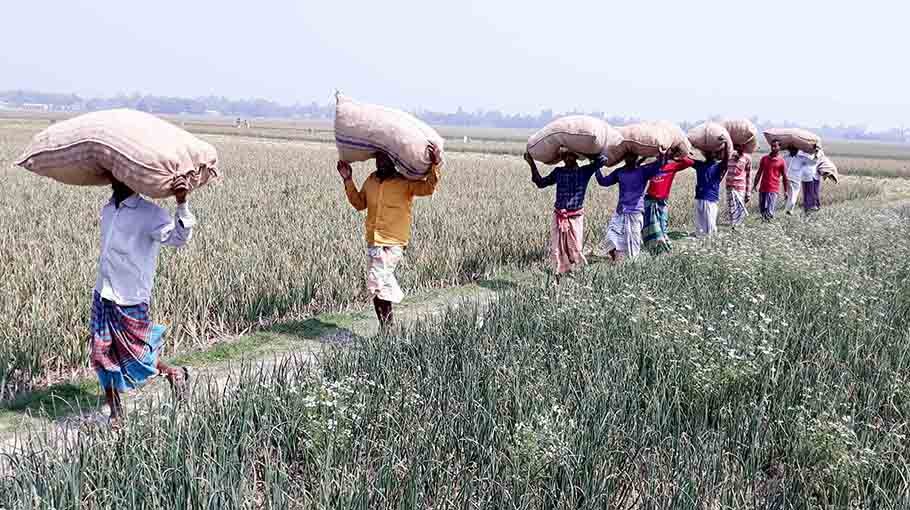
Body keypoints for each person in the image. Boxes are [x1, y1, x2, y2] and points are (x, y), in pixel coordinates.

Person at [91, 175, 194, 424]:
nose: (116, 180)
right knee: (102, 356)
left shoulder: (150, 214)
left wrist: (182, 204)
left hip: (131, 298)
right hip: (103, 294)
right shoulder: (108, 210)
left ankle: (175, 373)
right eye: (114, 174)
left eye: (122, 174)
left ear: (134, 179)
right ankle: (116, 416)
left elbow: (179, 238)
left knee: (140, 357)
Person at [338, 146, 442, 330]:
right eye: (378, 159)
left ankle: (388, 328)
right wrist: (348, 180)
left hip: (394, 242)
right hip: (373, 240)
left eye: (385, 159)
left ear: (394, 160)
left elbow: (428, 187)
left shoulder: (405, 182)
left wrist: (435, 164)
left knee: (376, 282)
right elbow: (359, 203)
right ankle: (388, 330)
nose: (381, 163)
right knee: (379, 288)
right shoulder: (371, 180)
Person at [524, 151, 607, 281]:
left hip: (575, 217)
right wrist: (531, 164)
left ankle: (576, 275)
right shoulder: (559, 172)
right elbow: (541, 183)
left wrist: (589, 153)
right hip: (559, 216)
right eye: (565, 156)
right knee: (557, 248)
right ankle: (558, 275)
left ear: (576, 157)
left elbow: (603, 160)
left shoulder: (585, 171)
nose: (567, 158)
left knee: (576, 248)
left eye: (570, 155)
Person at [597, 153, 666, 262]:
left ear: (636, 157)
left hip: (635, 212)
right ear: (624, 158)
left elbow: (659, 166)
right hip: (620, 212)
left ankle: (632, 265)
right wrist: (596, 167)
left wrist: (662, 155)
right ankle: (618, 258)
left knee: (633, 243)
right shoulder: (620, 172)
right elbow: (603, 182)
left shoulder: (643, 171)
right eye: (628, 156)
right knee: (611, 237)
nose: (630, 158)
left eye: (632, 156)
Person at [642, 154, 694, 254]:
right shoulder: (651, 167)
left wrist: (676, 156)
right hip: (650, 200)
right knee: (650, 226)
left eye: (664, 156)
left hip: (662, 201)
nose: (661, 158)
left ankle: (663, 247)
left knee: (662, 224)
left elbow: (690, 162)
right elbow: (638, 169)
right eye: (659, 156)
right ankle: (653, 248)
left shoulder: (672, 166)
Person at [692, 147, 730, 237]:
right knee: (700, 221)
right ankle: (700, 236)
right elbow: (687, 160)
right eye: (708, 152)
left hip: (711, 198)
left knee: (710, 221)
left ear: (716, 154)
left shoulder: (718, 166)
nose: (710, 154)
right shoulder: (699, 165)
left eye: (712, 153)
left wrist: (726, 143)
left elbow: (727, 159)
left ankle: (710, 237)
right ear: (705, 154)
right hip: (700, 196)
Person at [752, 140, 789, 221]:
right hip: (763, 188)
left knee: (769, 212)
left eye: (775, 146)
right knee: (762, 210)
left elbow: (785, 177)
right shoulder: (764, 159)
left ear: (779, 147)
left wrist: (786, 191)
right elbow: (759, 173)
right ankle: (764, 228)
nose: (773, 148)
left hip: (773, 189)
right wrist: (754, 185)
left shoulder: (781, 161)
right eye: (772, 146)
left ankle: (768, 225)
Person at [783, 147, 818, 215]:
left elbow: (813, 162)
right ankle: (789, 210)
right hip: (787, 180)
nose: (794, 151)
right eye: (792, 149)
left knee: (793, 196)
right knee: (791, 195)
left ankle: (789, 210)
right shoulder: (785, 158)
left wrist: (816, 154)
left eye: (795, 149)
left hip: (796, 181)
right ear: (789, 150)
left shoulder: (801, 158)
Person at [725, 147, 753, 231]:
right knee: (732, 209)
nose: (740, 147)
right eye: (738, 146)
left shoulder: (747, 158)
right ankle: (733, 227)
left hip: (740, 188)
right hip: (729, 187)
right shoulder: (729, 156)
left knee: (739, 208)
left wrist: (748, 192)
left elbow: (749, 175)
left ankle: (738, 227)